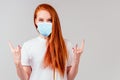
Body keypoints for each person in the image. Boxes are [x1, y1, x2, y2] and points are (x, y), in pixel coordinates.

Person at [8, 3, 85, 80]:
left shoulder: (66, 44)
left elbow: (69, 78)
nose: (45, 23)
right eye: (41, 20)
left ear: (54, 22)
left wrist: (76, 60)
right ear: (35, 21)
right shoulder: (28, 46)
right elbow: (25, 78)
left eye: (49, 20)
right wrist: (17, 63)